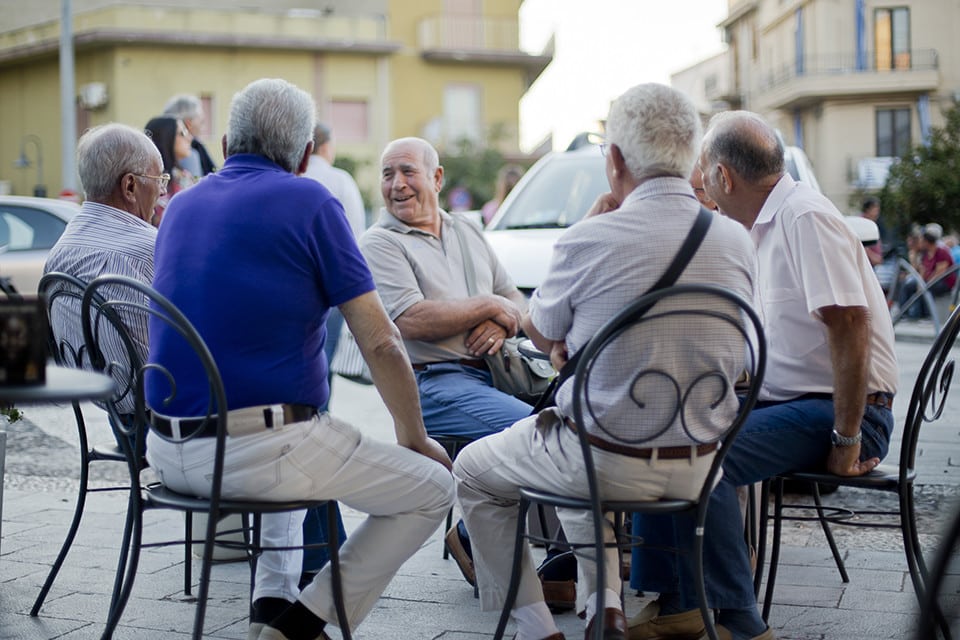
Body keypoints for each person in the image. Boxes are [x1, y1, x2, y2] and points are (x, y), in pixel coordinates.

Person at [143, 78, 454, 640]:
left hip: (167, 449)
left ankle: (271, 601)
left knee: (299, 425)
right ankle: (302, 624)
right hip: (255, 451)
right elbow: (380, 341)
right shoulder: (311, 200)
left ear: (232, 139)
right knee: (432, 490)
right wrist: (414, 437)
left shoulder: (182, 205)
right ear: (306, 154)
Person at [452, 83, 757, 640]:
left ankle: (536, 626)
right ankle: (604, 608)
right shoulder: (737, 242)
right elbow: (739, 350)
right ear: (692, 156)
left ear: (614, 161)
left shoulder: (590, 238)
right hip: (701, 466)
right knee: (572, 432)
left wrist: (571, 329)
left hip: (607, 460)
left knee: (476, 471)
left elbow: (540, 331)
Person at [628, 110, 898, 640]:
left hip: (847, 413)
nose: (698, 181)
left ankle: (738, 620)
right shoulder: (758, 225)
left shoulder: (804, 217)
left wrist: (845, 437)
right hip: (793, 403)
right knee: (662, 432)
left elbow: (849, 324)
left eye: (703, 170)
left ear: (725, 177)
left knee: (704, 457)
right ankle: (679, 603)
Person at [358, 136, 534, 590]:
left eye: (408, 172)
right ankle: (476, 538)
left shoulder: (466, 230)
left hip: (495, 372)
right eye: (387, 174)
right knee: (534, 431)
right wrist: (489, 305)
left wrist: (502, 321)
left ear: (436, 178)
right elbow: (411, 319)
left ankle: (533, 552)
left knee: (575, 415)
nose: (397, 184)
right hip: (430, 383)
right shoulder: (380, 243)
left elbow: (514, 298)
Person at [44, 122, 161, 418]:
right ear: (130, 186)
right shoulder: (153, 247)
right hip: (165, 415)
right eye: (159, 179)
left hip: (110, 409)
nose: (161, 191)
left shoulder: (60, 252)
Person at [300, 120, 367, 582]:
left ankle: (322, 552)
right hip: (331, 294)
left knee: (308, 412)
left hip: (185, 437)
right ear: (322, 145)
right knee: (314, 405)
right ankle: (324, 558)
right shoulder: (336, 182)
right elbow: (354, 244)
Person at [897, 222, 957, 319]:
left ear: (927, 242)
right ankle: (904, 313)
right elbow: (922, 270)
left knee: (928, 288)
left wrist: (925, 284)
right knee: (908, 285)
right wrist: (920, 282)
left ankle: (927, 315)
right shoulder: (925, 253)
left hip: (943, 281)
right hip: (929, 279)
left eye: (922, 240)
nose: (919, 242)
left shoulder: (941, 252)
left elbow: (940, 273)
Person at [144, 116, 197, 224]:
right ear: (166, 138)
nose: (189, 138)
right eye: (182, 133)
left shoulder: (183, 176)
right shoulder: (147, 179)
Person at [163, 93, 218, 176]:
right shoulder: (188, 153)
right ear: (189, 123)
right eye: (201, 121)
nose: (202, 127)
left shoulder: (159, 151)